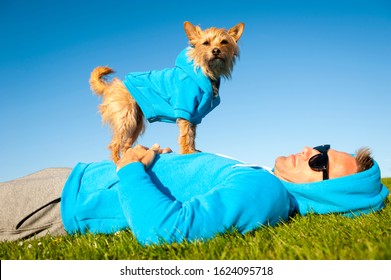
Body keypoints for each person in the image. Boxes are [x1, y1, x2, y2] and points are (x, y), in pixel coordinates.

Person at [0, 144, 389, 244]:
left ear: (329, 196)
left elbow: (165, 231)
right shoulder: (266, 180)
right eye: (321, 146)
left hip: (63, 201)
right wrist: (163, 164)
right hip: (74, 180)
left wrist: (132, 167)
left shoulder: (266, 191)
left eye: (319, 162)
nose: (309, 150)